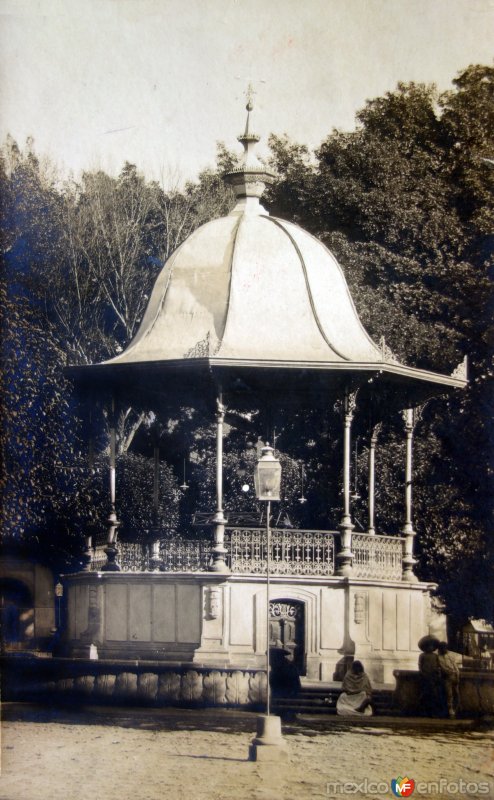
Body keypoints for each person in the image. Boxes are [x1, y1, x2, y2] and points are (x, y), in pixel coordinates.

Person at [437, 641, 460, 719]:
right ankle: (450, 711)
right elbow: (442, 667)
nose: (444, 649)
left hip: (453, 676)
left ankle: (456, 709)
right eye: (442, 648)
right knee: (449, 694)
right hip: (446, 677)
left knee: (456, 693)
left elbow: (455, 666)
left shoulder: (450, 655)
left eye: (444, 648)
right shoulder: (439, 657)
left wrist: (457, 675)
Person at [418, 640, 441, 716]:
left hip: (433, 677)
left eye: (431, 646)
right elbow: (420, 665)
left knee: (434, 695)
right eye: (428, 646)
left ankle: (433, 711)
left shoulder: (435, 656)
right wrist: (422, 672)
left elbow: (438, 666)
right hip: (425, 677)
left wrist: (437, 673)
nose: (430, 648)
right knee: (424, 694)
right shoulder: (422, 655)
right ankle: (423, 711)